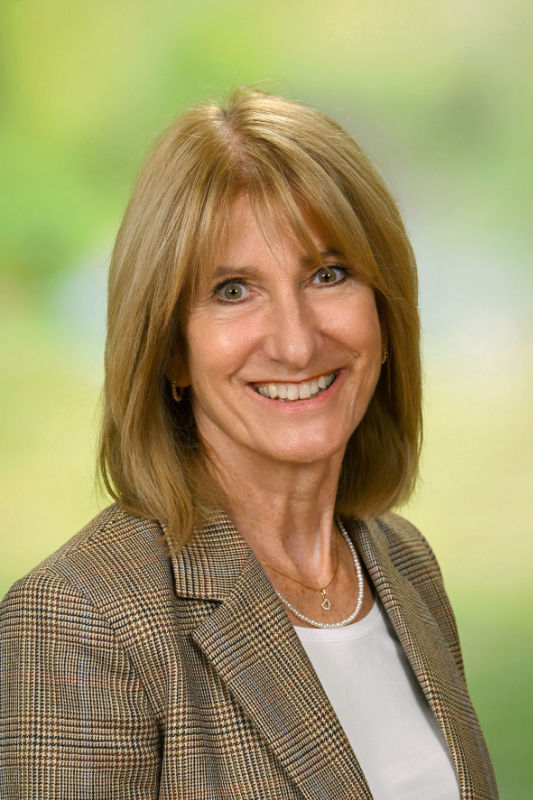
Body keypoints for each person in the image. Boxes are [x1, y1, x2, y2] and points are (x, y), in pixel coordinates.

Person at [0, 89, 498, 799]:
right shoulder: (82, 618)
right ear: (171, 349)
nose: (297, 343)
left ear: (384, 314)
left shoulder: (403, 564)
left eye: (328, 275)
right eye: (234, 290)